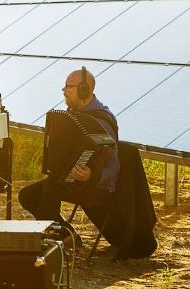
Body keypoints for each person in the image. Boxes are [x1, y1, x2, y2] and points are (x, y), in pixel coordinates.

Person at [19, 67, 156, 260]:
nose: (64, 90)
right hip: (74, 181)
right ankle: (66, 236)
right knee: (27, 195)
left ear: (84, 90)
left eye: (69, 87)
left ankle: (47, 246)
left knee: (51, 187)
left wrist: (93, 175)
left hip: (96, 185)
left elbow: (113, 164)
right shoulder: (72, 114)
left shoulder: (102, 120)